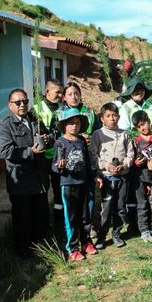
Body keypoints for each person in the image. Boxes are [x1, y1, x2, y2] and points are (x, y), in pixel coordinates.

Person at [0, 88, 50, 258]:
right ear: (9, 105)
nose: (22, 105)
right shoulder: (5, 124)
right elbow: (6, 151)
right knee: (23, 218)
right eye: (17, 102)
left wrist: (48, 139)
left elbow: (47, 135)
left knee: (40, 216)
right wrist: (29, 151)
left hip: (39, 178)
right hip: (21, 180)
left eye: (25, 101)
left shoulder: (34, 119)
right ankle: (23, 252)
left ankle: (41, 248)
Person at [90, 102, 134, 249]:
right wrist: (105, 165)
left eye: (114, 115)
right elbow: (93, 155)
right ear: (102, 118)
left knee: (120, 206)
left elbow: (130, 154)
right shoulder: (98, 134)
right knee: (106, 207)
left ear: (119, 117)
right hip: (107, 177)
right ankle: (102, 236)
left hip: (123, 177)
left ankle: (117, 234)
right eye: (108, 116)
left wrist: (125, 165)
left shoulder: (124, 134)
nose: (112, 119)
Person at [52, 108, 95, 261]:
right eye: (71, 123)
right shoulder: (60, 142)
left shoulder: (82, 141)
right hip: (68, 184)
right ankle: (73, 248)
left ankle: (86, 242)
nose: (74, 126)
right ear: (64, 126)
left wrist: (93, 178)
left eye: (77, 123)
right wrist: (60, 166)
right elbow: (54, 166)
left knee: (85, 215)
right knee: (70, 217)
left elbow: (88, 162)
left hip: (84, 183)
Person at [33, 79, 64, 229]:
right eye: (57, 92)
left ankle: (59, 221)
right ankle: (43, 223)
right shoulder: (35, 109)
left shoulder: (63, 109)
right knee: (43, 190)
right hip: (42, 157)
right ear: (47, 92)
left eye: (61, 92)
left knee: (59, 190)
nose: (60, 95)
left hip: (58, 156)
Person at [132, 111, 152, 242]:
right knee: (142, 204)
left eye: (144, 124)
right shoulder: (135, 142)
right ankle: (144, 229)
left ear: (149, 122)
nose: (142, 128)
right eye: (139, 126)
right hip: (140, 177)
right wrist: (136, 162)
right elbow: (131, 159)